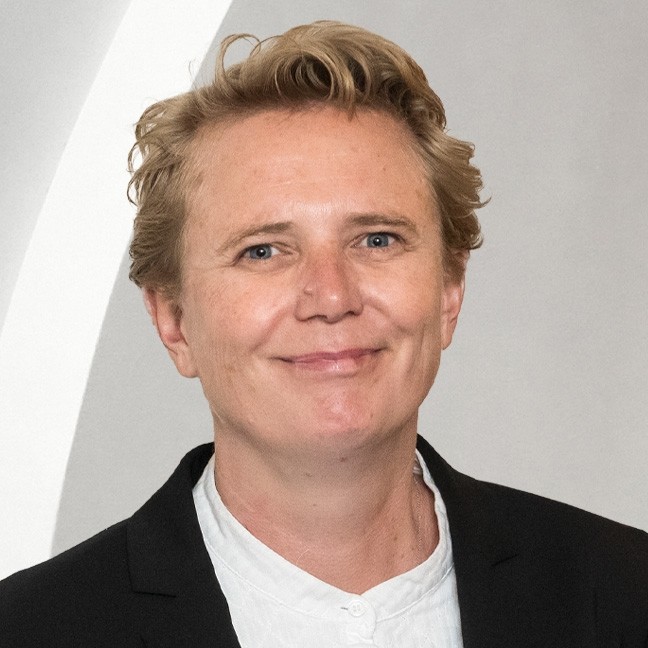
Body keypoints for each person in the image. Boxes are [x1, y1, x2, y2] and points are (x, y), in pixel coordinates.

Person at [1, 20, 646, 648]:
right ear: (173, 321)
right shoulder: (29, 630)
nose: (332, 297)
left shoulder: (626, 594)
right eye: (262, 251)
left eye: (377, 240)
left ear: (449, 291)